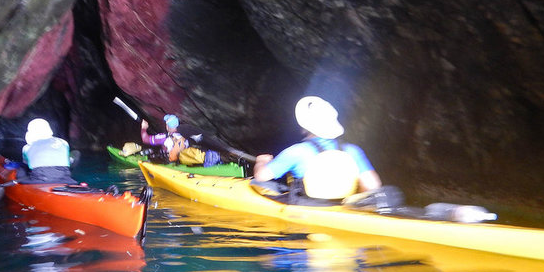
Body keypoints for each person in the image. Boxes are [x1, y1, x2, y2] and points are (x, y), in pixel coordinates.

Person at [253, 96, 382, 200]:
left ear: (304, 127)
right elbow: (373, 186)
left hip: (306, 212)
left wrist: (262, 162)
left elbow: (261, 176)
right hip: (343, 209)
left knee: (257, 184)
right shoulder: (353, 151)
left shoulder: (297, 152)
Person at [141, 114, 223, 167]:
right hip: (187, 161)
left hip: (170, 163)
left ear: (167, 126)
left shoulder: (164, 137)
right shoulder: (186, 135)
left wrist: (144, 128)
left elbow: (145, 139)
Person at [19, 118, 77, 184]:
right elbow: (67, 160)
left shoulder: (27, 147)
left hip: (40, 176)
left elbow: (27, 165)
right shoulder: (64, 142)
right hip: (63, 175)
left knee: (21, 170)